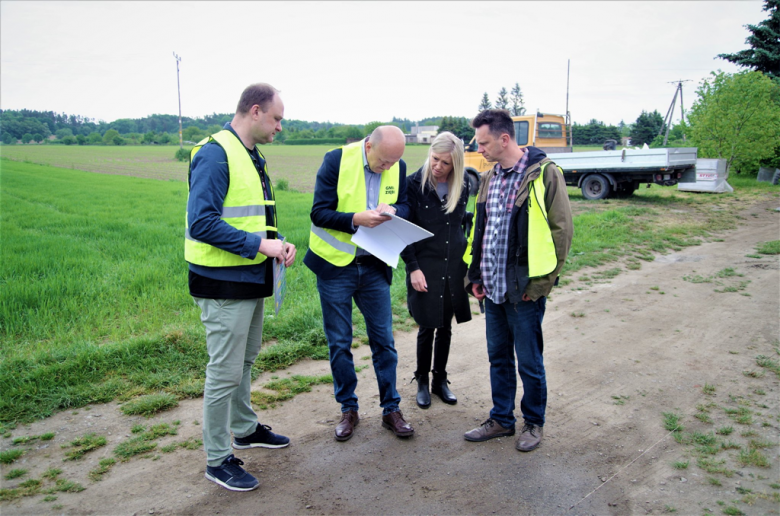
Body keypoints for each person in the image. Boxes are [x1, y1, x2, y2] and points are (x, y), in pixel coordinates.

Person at [186, 83, 296, 491]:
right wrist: (259, 245)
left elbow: (251, 218)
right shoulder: (216, 153)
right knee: (224, 372)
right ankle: (217, 460)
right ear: (255, 111)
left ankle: (245, 428)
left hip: (250, 278)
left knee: (244, 361)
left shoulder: (251, 154)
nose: (280, 127)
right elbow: (202, 222)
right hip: (222, 282)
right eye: (277, 118)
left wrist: (277, 244)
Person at [463, 109, 573, 452]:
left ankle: (534, 423)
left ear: (504, 139)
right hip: (492, 289)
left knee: (528, 361)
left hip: (525, 291)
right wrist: (474, 276)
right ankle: (501, 420)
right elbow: (481, 233)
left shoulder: (544, 174)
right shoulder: (489, 178)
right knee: (498, 358)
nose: (479, 148)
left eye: (483, 143)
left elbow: (561, 231)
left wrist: (541, 285)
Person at [304, 125, 414, 441]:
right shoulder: (335, 160)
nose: (389, 168)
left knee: (384, 342)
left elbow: (405, 205)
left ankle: (391, 409)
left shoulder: (398, 165)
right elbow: (318, 214)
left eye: (394, 163)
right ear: (369, 147)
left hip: (374, 267)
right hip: (335, 267)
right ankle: (348, 410)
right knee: (340, 343)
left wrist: (394, 210)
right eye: (384, 162)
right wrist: (356, 219)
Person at [400, 131, 472, 409]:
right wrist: (413, 269)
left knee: (446, 325)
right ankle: (421, 380)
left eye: (445, 162)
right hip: (425, 265)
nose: (438, 166)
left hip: (453, 264)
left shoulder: (462, 186)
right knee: (427, 325)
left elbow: (459, 224)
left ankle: (439, 380)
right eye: (435, 159)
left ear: (456, 164)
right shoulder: (412, 185)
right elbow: (404, 232)